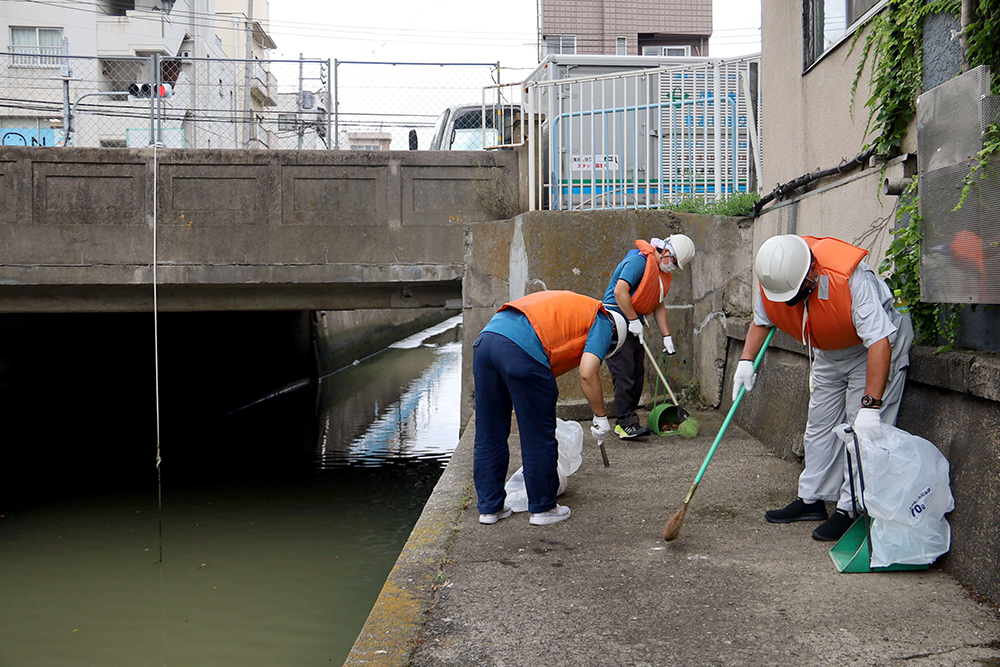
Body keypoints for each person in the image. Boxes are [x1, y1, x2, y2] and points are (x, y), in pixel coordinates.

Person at [733, 234, 913, 542]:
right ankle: (811, 498)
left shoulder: (852, 281)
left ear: (813, 270)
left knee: (861, 433)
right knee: (818, 426)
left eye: (798, 292)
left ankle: (850, 509)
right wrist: (746, 361)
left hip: (875, 345)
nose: (792, 300)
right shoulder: (775, 277)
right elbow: (762, 322)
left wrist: (871, 406)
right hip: (829, 347)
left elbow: (879, 342)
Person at [473, 290, 627, 526]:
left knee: (489, 431)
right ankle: (543, 508)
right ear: (613, 337)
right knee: (538, 434)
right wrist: (601, 416)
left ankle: (490, 508)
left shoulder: (574, 307)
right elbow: (587, 373)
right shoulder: (604, 320)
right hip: (521, 347)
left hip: (487, 341)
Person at [602, 234, 696, 439]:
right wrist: (633, 320)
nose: (673, 267)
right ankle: (625, 423)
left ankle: (628, 420)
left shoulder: (659, 272)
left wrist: (667, 336)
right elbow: (620, 292)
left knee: (636, 374)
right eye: (674, 261)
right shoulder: (638, 261)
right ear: (666, 251)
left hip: (633, 323)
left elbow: (658, 304)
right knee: (624, 373)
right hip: (615, 323)